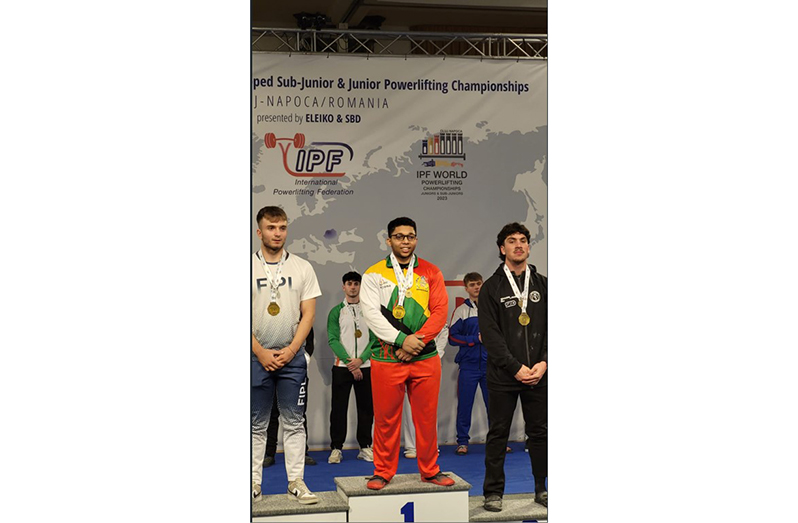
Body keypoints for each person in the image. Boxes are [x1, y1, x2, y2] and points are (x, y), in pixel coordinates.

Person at [360, 216, 453, 490]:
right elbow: (372, 316)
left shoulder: (432, 272)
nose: (405, 241)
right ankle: (382, 471)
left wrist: (416, 343)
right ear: (389, 240)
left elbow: (440, 312)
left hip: (424, 358)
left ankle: (430, 470)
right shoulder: (373, 274)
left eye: (410, 236)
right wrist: (402, 340)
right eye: (399, 236)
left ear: (416, 239)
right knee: (387, 419)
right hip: (387, 359)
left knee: (426, 419)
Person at [251, 206, 320, 505]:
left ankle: (296, 481)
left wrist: (292, 350)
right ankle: (252, 483)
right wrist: (260, 351)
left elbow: (309, 315)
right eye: (271, 228)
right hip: (255, 358)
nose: (277, 233)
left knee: (294, 422)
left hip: (292, 359)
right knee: (255, 424)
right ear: (259, 232)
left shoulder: (303, 267)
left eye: (281, 227)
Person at [479, 222, 547, 512]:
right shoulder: (491, 288)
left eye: (523, 240)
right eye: (511, 241)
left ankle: (541, 488)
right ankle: (493, 492)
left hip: (538, 375)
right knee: (498, 433)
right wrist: (515, 367)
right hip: (504, 375)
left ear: (529, 247)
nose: (518, 245)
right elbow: (490, 335)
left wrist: (545, 362)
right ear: (501, 248)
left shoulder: (544, 284)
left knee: (540, 433)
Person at [327, 271, 376, 464]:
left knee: (366, 408)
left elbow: (375, 339)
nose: (353, 287)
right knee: (339, 409)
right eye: (349, 283)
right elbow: (332, 339)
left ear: (360, 286)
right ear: (343, 287)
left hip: (366, 366)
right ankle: (336, 448)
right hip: (342, 367)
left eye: (356, 283)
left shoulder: (370, 310)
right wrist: (350, 362)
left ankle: (365, 447)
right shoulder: (336, 311)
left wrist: (361, 359)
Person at [262, 328, 317, 468]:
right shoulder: (271, 318)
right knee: (271, 414)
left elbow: (308, 345)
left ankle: (302, 453)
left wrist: (296, 361)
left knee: (297, 414)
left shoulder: (304, 318)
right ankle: (269, 453)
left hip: (296, 371)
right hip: (270, 368)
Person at [401, 325, 448, 459]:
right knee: (409, 406)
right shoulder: (407, 310)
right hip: (408, 361)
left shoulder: (434, 313)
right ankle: (411, 446)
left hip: (431, 362)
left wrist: (435, 356)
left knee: (429, 407)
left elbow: (443, 331)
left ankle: (430, 446)